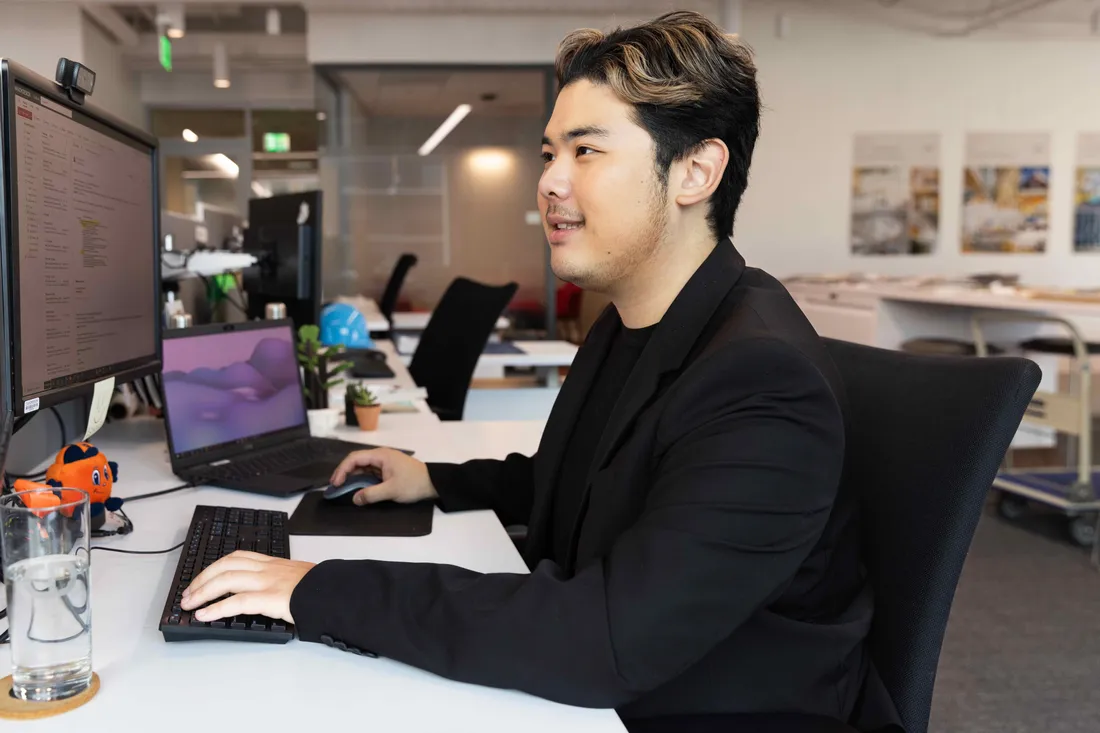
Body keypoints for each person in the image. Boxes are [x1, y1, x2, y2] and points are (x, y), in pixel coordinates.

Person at [182, 11, 900, 733]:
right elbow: (584, 480)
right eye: (550, 153)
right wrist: (434, 478)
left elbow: (602, 640)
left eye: (586, 152)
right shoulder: (634, 320)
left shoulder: (764, 382)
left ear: (695, 171)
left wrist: (316, 589)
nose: (550, 182)